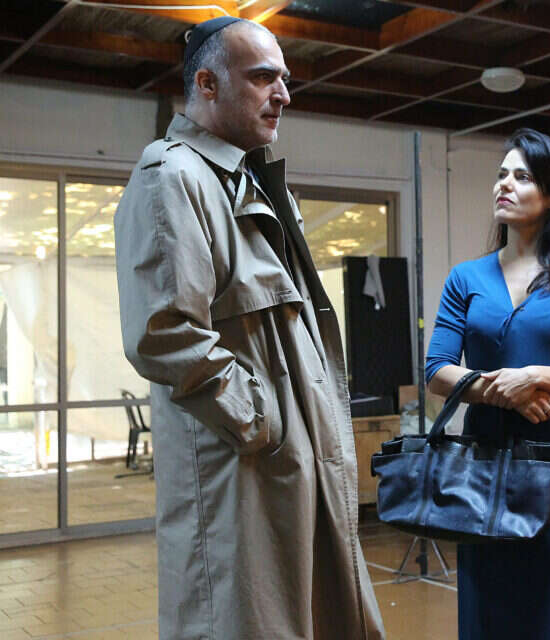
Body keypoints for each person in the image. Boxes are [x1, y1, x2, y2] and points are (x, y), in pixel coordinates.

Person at [114, 17, 384, 639]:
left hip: (296, 470)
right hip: (244, 474)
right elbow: (164, 331)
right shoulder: (173, 176)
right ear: (207, 84)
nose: (283, 94)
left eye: (284, 79)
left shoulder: (253, 181)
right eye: (263, 78)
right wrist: (264, 420)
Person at [425, 128, 550, 639]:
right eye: (501, 175)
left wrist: (533, 377)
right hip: (485, 464)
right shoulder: (465, 278)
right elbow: (437, 369)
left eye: (522, 176)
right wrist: (505, 394)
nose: (505, 185)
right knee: (496, 603)